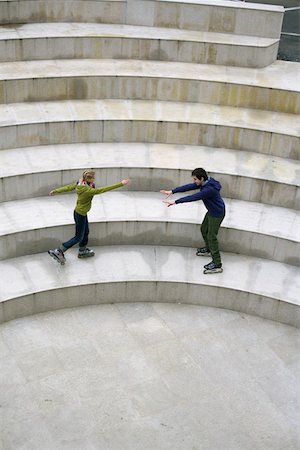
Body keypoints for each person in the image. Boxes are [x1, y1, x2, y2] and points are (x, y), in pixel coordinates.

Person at [48, 169, 131, 264]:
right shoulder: (87, 190)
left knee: (86, 231)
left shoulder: (80, 182)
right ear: (89, 179)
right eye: (93, 178)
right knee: (78, 237)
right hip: (80, 214)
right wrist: (121, 183)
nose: (94, 179)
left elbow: (69, 187)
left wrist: (56, 191)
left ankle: (82, 250)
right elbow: (102, 190)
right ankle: (59, 250)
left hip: (80, 212)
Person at [160, 168, 225, 274]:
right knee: (204, 229)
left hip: (217, 214)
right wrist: (172, 191)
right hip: (212, 211)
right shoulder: (205, 182)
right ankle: (209, 249)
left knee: (211, 236)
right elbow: (189, 187)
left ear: (202, 178)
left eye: (195, 179)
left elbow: (194, 197)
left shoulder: (209, 189)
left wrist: (176, 202)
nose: (194, 181)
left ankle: (217, 264)